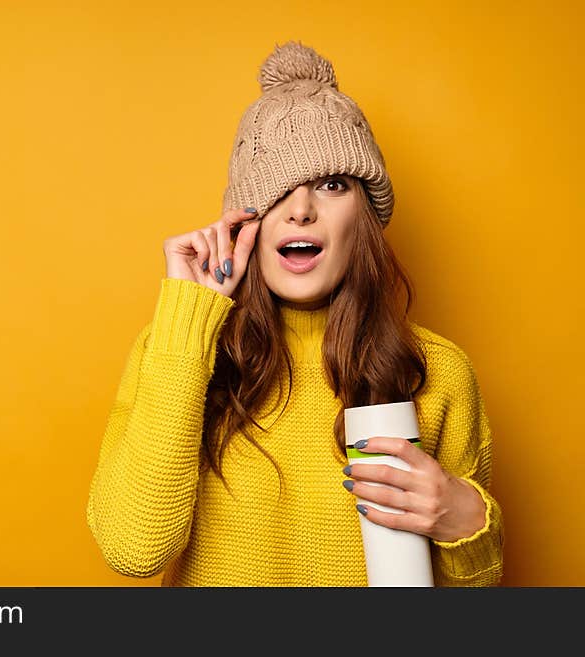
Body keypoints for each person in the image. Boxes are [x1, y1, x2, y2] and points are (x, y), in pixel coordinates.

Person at [85, 39, 503, 586]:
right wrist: (188, 320)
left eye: (332, 185)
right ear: (242, 222)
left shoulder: (438, 371)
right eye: (278, 188)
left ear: (366, 218)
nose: (301, 210)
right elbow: (133, 549)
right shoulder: (175, 349)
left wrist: (465, 519)